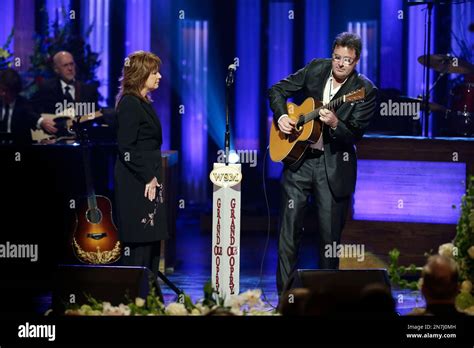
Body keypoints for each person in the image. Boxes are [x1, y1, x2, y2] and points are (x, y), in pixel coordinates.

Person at [268, 32, 378, 295]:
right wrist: (282, 114)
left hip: (332, 167)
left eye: (347, 60)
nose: (340, 64)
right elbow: (277, 90)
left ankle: (325, 302)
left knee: (329, 239)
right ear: (332, 55)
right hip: (299, 162)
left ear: (357, 61)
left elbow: (354, 135)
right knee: (288, 233)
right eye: (337, 58)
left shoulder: (364, 91)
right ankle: (286, 300)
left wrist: (335, 124)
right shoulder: (317, 68)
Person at [114, 50, 167, 278]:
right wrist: (148, 176)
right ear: (141, 74)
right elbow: (126, 147)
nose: (159, 77)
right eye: (154, 72)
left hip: (149, 179)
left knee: (151, 241)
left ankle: (148, 299)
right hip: (138, 182)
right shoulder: (130, 104)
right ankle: (134, 298)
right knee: (140, 243)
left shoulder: (143, 103)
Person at [32, 51, 99, 121]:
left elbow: (96, 115)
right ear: (56, 69)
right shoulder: (46, 88)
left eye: (71, 64)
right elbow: (31, 109)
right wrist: (41, 121)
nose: (70, 68)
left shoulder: (88, 90)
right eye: (65, 65)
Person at [0, 68, 56, 144]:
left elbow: (33, 117)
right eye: (1, 90)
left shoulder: (24, 104)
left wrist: (42, 122)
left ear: (15, 91)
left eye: (6, 91)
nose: (3, 94)